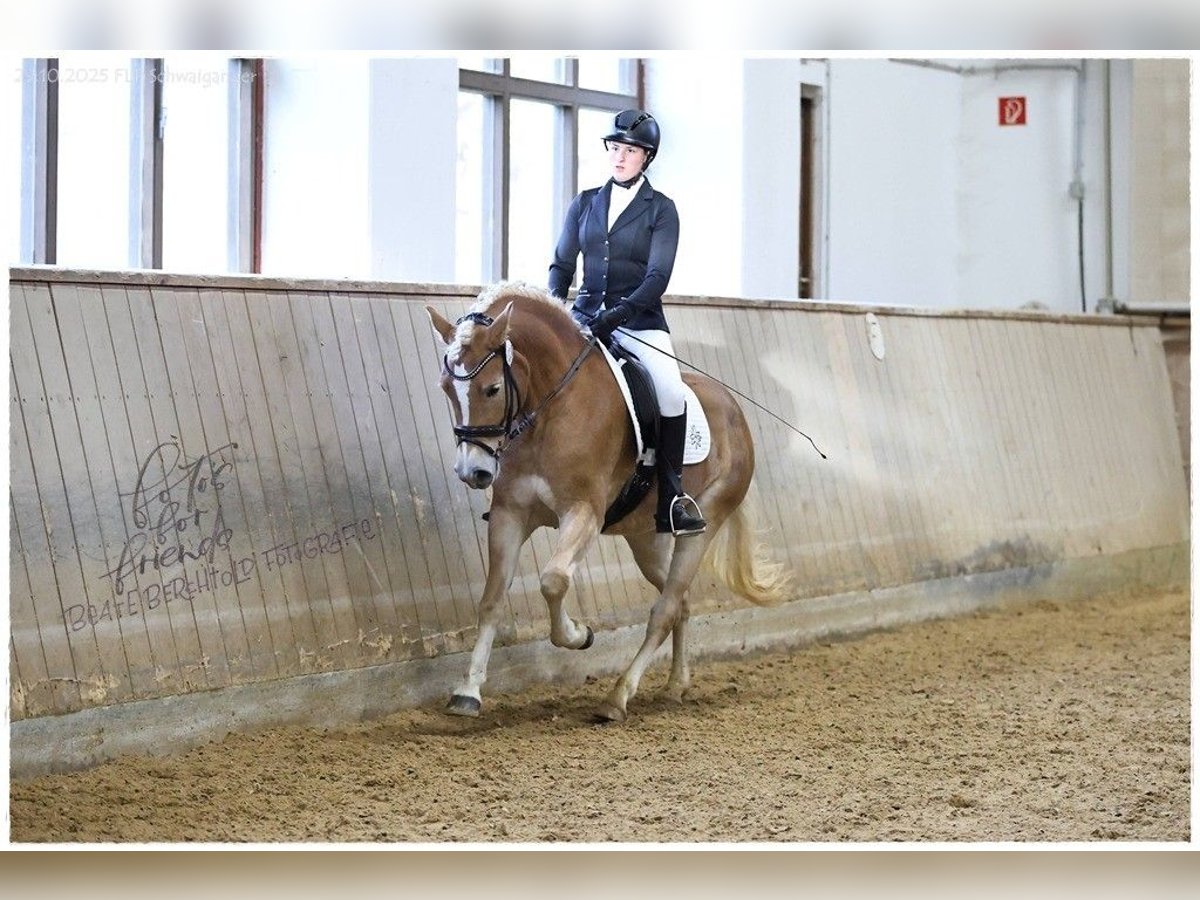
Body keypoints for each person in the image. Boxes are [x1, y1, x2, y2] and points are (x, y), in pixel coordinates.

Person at [548, 109, 706, 536]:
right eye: (615, 147)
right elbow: (562, 265)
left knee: (673, 394)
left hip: (639, 322)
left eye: (630, 150)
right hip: (583, 318)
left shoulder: (662, 210)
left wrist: (618, 314)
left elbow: (657, 278)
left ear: (646, 158)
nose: (619, 157)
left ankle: (672, 497)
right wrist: (554, 311)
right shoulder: (584, 203)